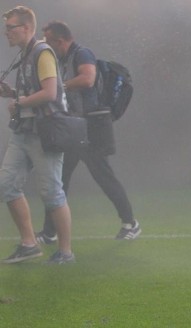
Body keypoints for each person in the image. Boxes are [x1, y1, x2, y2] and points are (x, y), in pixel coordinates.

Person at [36, 21, 140, 242]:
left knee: (102, 175)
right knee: (59, 179)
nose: (46, 44)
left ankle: (131, 223)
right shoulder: (64, 59)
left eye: (48, 40)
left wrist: (59, 86)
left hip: (92, 126)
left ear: (60, 40)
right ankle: (49, 232)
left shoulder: (82, 54)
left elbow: (88, 78)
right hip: (76, 127)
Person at [0, 6, 74, 264]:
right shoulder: (24, 54)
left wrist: (19, 103)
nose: (5, 32)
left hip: (45, 133)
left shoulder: (42, 52)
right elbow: (33, 93)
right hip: (24, 132)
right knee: (7, 184)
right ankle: (29, 243)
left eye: (10, 27)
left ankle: (65, 252)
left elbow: (50, 93)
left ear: (27, 28)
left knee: (52, 192)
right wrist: (12, 94)